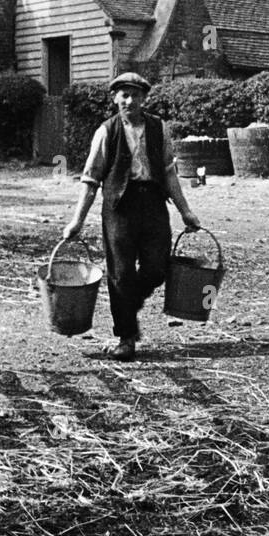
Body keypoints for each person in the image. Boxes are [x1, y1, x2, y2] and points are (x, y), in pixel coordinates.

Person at [62, 72, 201, 360]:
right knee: (121, 274)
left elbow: (169, 172)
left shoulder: (157, 128)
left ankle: (129, 306)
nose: (129, 100)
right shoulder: (106, 131)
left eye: (135, 95)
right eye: (123, 95)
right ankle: (126, 337)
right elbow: (90, 179)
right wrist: (77, 221)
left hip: (152, 205)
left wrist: (186, 211)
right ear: (114, 98)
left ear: (144, 99)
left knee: (157, 268)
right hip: (118, 208)